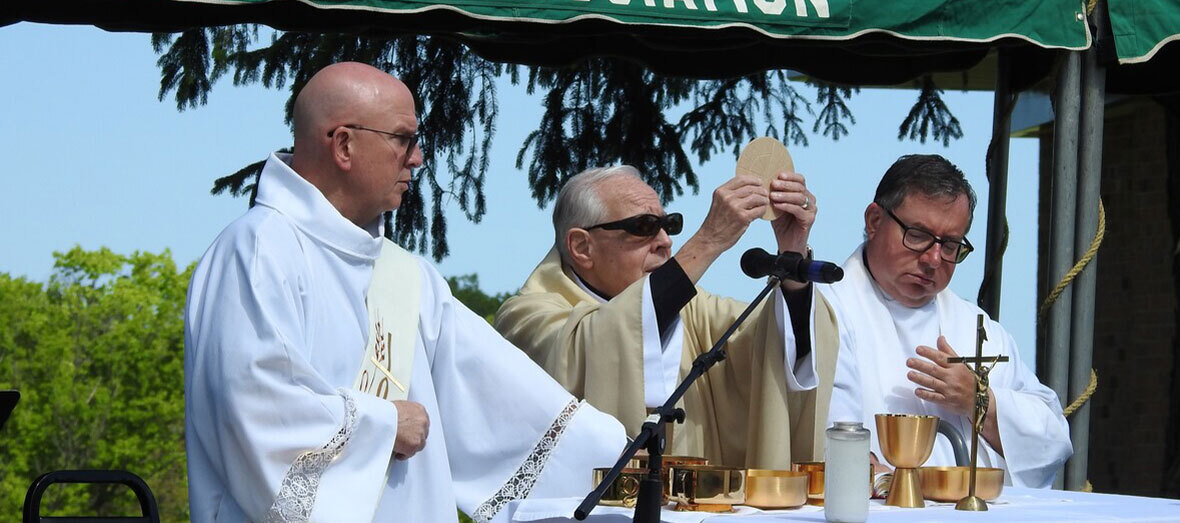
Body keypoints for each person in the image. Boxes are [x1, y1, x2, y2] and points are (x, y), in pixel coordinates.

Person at [183, 62, 627, 523]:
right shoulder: (258, 250)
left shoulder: (405, 275)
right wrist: (386, 425)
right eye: (403, 139)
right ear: (344, 144)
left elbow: (499, 391)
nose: (417, 158)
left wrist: (619, 457)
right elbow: (254, 415)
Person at [494, 165, 838, 470]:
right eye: (644, 226)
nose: (665, 241)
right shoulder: (526, 317)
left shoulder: (694, 310)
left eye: (668, 224)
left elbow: (769, 343)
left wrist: (792, 255)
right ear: (582, 247)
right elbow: (595, 342)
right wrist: (708, 241)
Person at [819, 154, 1071, 488]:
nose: (934, 259)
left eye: (950, 245)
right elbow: (816, 434)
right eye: (918, 235)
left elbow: (1053, 440)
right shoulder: (824, 312)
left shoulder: (975, 327)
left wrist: (979, 400)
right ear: (875, 221)